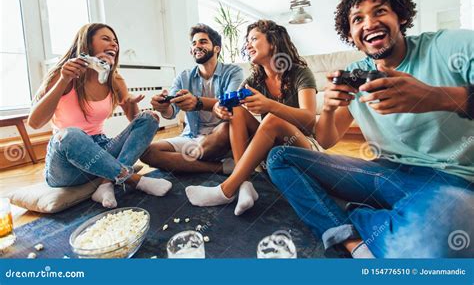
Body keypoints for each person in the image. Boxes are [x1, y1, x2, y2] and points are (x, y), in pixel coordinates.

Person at [267, 0, 474, 258]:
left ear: (399, 16)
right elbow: (327, 141)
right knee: (280, 158)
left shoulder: (451, 46)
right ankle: (352, 240)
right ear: (350, 33)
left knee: (440, 244)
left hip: (447, 180)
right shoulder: (356, 72)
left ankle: (358, 214)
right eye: (357, 19)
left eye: (379, 11)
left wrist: (433, 96)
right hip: (381, 173)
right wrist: (328, 108)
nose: (369, 24)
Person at [186, 19, 322, 216]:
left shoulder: (299, 72)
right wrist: (219, 108)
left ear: (273, 42)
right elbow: (226, 103)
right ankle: (245, 185)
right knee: (236, 109)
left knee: (272, 119)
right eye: (246, 41)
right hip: (270, 152)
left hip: (304, 146)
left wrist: (270, 105)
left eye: (253, 39)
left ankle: (227, 189)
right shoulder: (255, 79)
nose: (247, 45)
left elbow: (309, 120)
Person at [28, 23, 172, 208]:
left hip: (100, 151)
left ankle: (105, 184)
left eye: (115, 42)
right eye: (106, 39)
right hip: (66, 164)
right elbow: (35, 122)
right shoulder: (63, 74)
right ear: (87, 44)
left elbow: (136, 123)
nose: (114, 45)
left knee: (149, 118)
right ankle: (133, 180)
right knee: (70, 134)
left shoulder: (114, 79)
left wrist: (131, 104)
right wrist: (64, 79)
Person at [141, 24, 243, 173]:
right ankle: (220, 167)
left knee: (226, 129)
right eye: (194, 43)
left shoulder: (233, 72)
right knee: (147, 152)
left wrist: (198, 102)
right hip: (192, 137)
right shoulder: (183, 77)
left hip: (219, 136)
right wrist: (164, 107)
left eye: (203, 42)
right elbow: (171, 113)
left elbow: (230, 104)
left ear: (217, 48)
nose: (197, 46)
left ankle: (182, 161)